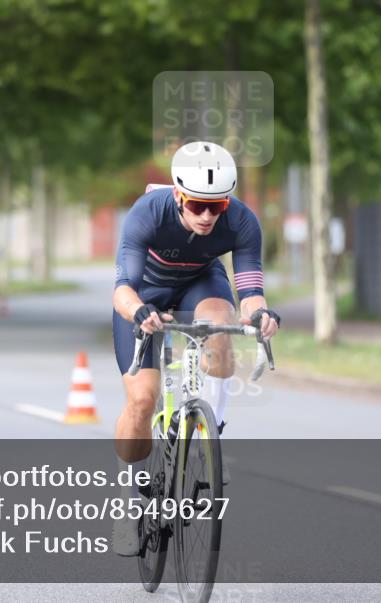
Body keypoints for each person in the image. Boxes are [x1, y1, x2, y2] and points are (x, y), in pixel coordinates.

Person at [110, 141, 280, 556]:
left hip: (200, 286)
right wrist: (139, 313)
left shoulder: (241, 221)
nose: (207, 216)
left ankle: (210, 431)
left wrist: (260, 315)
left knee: (222, 320)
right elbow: (122, 290)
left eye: (216, 207)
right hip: (144, 294)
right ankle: (128, 500)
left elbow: (251, 292)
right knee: (141, 403)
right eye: (197, 205)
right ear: (177, 194)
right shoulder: (147, 213)